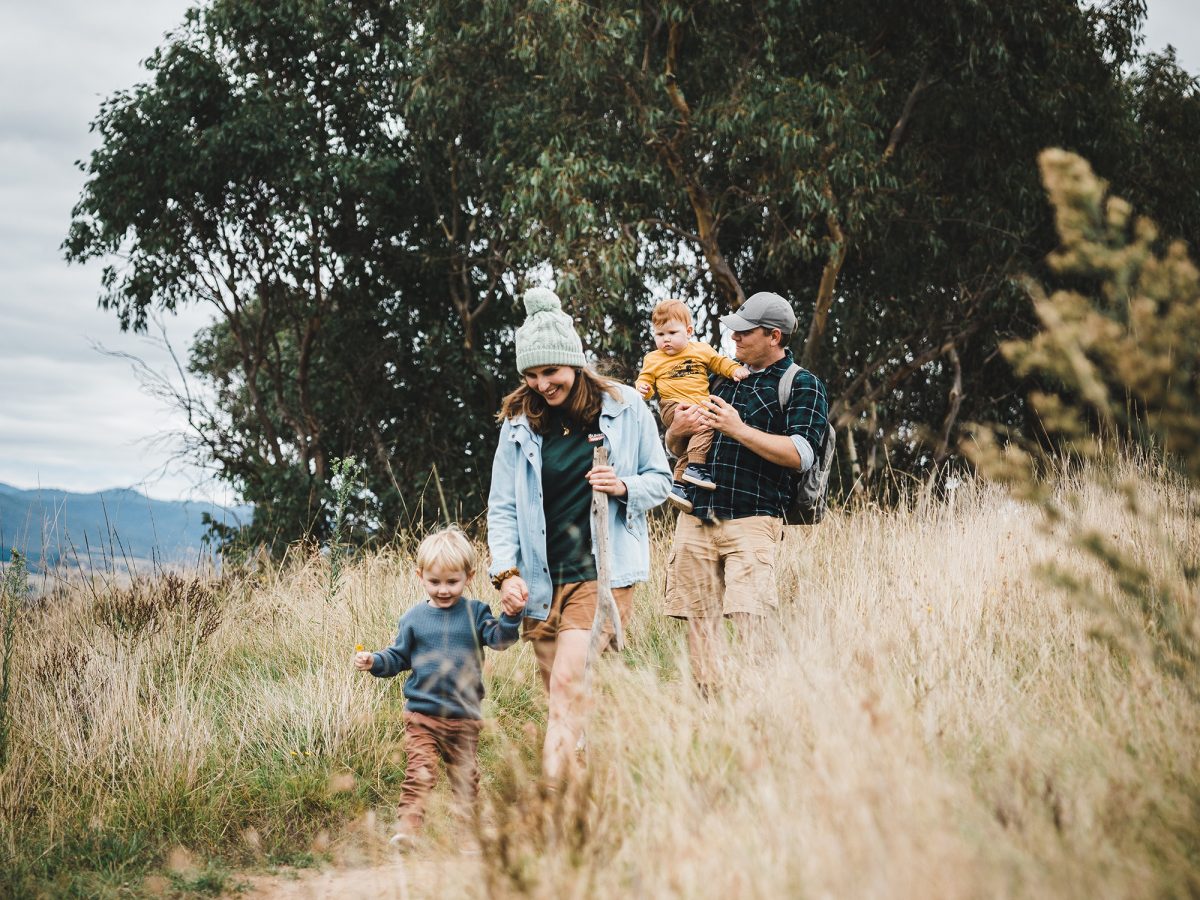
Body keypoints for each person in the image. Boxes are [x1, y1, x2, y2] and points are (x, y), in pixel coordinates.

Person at [488, 286, 671, 782]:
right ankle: (583, 798)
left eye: (550, 372)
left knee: (567, 686)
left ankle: (549, 801)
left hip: (601, 575)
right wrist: (505, 573)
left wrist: (624, 485)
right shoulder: (519, 423)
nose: (542, 384)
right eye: (531, 374)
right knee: (561, 698)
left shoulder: (625, 407)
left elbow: (662, 479)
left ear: (573, 362)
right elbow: (502, 506)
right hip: (542, 583)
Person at [662, 291, 829, 694]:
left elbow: (800, 454)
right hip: (696, 515)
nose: (734, 338)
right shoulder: (720, 376)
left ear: (774, 336)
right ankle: (709, 707)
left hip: (753, 520)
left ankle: (759, 705)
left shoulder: (802, 384)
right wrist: (677, 433)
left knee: (751, 617)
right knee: (700, 621)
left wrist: (738, 428)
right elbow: (676, 447)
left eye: (744, 332)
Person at [354, 527, 526, 846]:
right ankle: (408, 829)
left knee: (465, 779)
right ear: (420, 576)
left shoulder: (476, 614)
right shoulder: (414, 618)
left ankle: (467, 835)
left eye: (452, 582)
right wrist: (375, 661)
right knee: (419, 773)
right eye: (435, 582)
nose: (444, 590)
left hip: (464, 717)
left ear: (469, 576)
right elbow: (398, 657)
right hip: (422, 717)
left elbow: (500, 640)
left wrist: (512, 616)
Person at [635, 298, 749, 512]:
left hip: (697, 403)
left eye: (672, 333)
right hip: (673, 406)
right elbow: (646, 381)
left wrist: (734, 370)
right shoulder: (653, 358)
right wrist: (643, 389)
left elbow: (719, 362)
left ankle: (678, 485)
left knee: (693, 437)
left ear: (688, 331)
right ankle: (696, 467)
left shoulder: (701, 350)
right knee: (707, 423)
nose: (666, 340)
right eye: (660, 335)